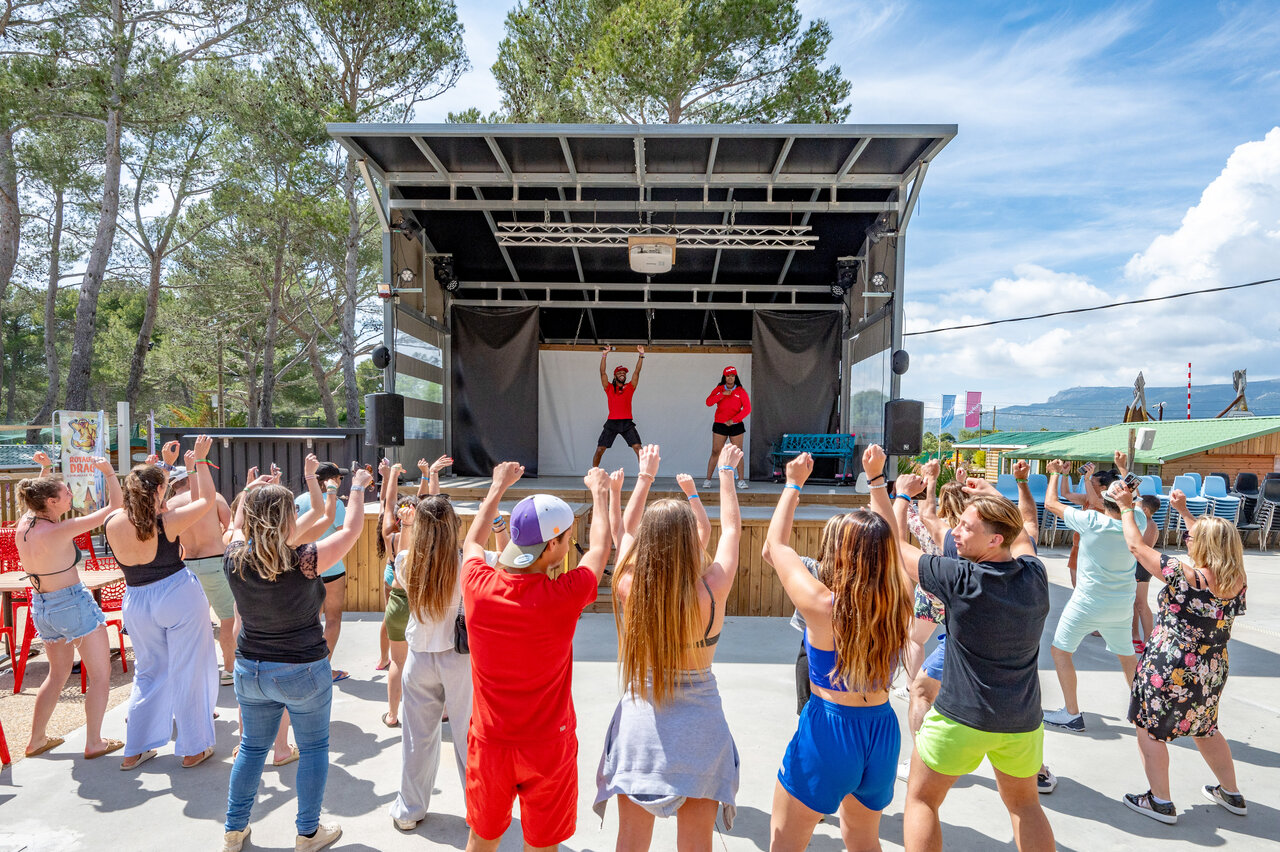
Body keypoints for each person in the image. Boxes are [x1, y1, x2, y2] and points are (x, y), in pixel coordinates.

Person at [873, 447, 1055, 852]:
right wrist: (995, 495)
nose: (956, 532)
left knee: (921, 800)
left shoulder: (960, 578)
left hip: (961, 719)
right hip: (1022, 723)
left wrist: (891, 492)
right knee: (1025, 806)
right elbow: (1022, 534)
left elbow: (894, 547)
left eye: (966, 527)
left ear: (993, 539)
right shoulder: (1035, 575)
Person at [594, 443, 744, 849]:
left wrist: (644, 477)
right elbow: (731, 531)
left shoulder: (628, 587)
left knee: (631, 843)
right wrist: (727, 474)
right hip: (702, 730)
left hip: (640, 728)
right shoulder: (713, 588)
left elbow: (625, 531)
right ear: (688, 539)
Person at [761, 449, 911, 852]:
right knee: (863, 840)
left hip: (831, 730)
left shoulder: (822, 605)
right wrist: (877, 480)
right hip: (881, 731)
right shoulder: (900, 596)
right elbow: (894, 543)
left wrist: (793, 484)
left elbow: (773, 546)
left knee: (787, 844)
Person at [221, 463, 374, 852]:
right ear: (288, 517)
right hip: (302, 669)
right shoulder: (305, 559)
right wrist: (356, 488)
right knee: (314, 749)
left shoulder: (234, 554)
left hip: (250, 669)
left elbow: (236, 527)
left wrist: (250, 492)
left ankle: (234, 831)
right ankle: (308, 833)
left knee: (252, 749)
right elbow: (350, 529)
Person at [461, 462, 611, 852]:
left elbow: (472, 545)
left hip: (490, 741)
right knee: (542, 845)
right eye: (565, 540)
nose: (569, 546)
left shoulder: (476, 585)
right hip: (548, 745)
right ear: (552, 548)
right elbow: (599, 551)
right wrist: (601, 493)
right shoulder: (564, 596)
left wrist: (495, 489)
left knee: (482, 838)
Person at [1115, 486, 1248, 824]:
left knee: (1149, 727)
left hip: (1170, 666)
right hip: (1212, 667)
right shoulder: (1237, 579)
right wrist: (1186, 512)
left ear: (1203, 545)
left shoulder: (1182, 574)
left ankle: (1159, 801)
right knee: (1206, 728)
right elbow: (1214, 542)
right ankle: (1231, 793)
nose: (1187, 540)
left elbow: (1135, 545)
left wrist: (1126, 507)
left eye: (1192, 537)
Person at [391, 493, 506, 832]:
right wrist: (498, 523)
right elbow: (511, 558)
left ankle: (410, 809)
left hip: (419, 657)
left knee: (417, 738)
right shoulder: (471, 562)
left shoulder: (405, 561)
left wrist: (408, 526)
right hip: (461, 659)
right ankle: (479, 810)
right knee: (469, 739)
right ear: (456, 527)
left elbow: (403, 566)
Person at [106, 435, 221, 770]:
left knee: (148, 673)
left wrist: (166, 468)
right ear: (159, 491)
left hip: (136, 601)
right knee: (190, 669)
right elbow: (207, 500)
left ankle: (134, 750)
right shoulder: (167, 522)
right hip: (176, 594)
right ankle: (193, 748)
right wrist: (198, 462)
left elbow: (152, 494)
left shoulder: (113, 521)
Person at [15, 456, 124, 760]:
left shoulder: (26, 523)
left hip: (42, 605)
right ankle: (94, 742)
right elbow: (114, 508)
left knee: (58, 673)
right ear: (50, 501)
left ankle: (36, 740)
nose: (71, 495)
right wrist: (109, 474)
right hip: (72, 602)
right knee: (101, 675)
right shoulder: (59, 530)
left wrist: (45, 471)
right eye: (65, 493)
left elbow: (34, 498)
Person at [1041, 453, 1146, 733]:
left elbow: (1051, 503)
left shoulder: (1091, 521)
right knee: (1127, 658)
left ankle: (1072, 713)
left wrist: (1054, 472)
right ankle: (1145, 714)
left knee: (1060, 652)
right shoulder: (1136, 523)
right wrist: (1125, 471)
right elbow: (1136, 499)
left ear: (1104, 501)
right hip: (1121, 606)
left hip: (1086, 604)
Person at [165, 452, 235, 685]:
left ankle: (193, 672)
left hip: (184, 566)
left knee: (193, 623)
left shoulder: (168, 506)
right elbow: (231, 527)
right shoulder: (212, 497)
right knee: (228, 619)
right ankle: (229, 669)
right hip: (214, 561)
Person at [295, 462, 348, 682]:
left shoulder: (298, 501)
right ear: (330, 481)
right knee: (333, 618)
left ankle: (306, 668)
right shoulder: (335, 504)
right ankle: (323, 670)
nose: (340, 482)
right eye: (339, 478)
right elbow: (343, 535)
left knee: (310, 620)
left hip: (303, 567)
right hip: (332, 567)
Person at [787, 514, 843, 715]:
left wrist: (791, 493)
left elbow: (772, 549)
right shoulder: (864, 576)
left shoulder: (810, 569)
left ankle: (805, 711)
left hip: (813, 639)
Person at [593, 345, 646, 468]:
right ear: (615, 376)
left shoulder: (630, 387)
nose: (623, 374)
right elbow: (602, 372)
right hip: (612, 422)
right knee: (600, 449)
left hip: (627, 422)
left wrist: (641, 355)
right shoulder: (609, 388)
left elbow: (637, 372)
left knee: (638, 448)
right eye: (620, 372)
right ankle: (594, 473)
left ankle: (644, 475)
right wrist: (604, 355)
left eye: (624, 373)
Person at [703, 367, 750, 489]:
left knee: (738, 453)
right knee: (715, 451)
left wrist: (734, 420)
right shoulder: (719, 389)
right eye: (728, 375)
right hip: (720, 424)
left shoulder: (740, 391)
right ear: (724, 377)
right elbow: (708, 402)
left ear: (736, 377)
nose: (730, 378)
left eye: (733, 375)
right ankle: (708, 480)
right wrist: (721, 395)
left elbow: (747, 409)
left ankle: (741, 481)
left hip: (736, 425)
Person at [1131, 494, 1161, 652]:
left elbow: (1143, 548)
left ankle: (1149, 638)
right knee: (1134, 604)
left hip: (1141, 567)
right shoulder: (1147, 522)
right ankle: (1135, 636)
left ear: (1145, 510)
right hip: (1138, 565)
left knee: (1141, 604)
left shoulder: (1149, 524)